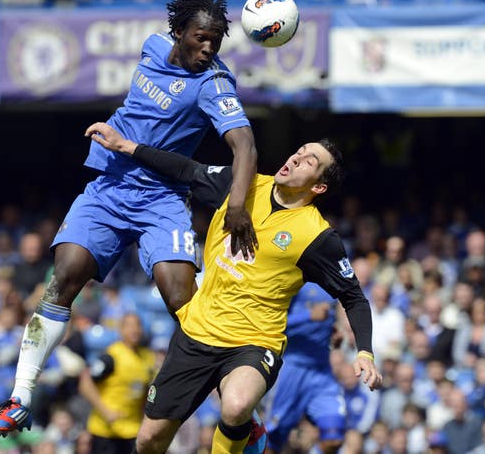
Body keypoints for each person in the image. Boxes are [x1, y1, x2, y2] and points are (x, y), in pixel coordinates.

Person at [0, 0, 258, 442]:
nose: (207, 49)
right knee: (65, 275)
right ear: (178, 32)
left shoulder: (213, 84)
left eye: (215, 42)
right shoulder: (150, 46)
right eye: (200, 38)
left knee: (183, 302)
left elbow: (244, 144)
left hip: (162, 199)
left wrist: (238, 206)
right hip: (108, 188)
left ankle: (241, 412)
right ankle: (20, 398)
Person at [85, 123, 382, 454]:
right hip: (197, 333)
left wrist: (365, 351)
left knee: (237, 405)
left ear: (320, 187)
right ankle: (248, 432)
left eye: (310, 160)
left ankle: (243, 426)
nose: (297, 158)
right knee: (148, 441)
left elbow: (353, 297)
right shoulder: (242, 185)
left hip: (254, 342)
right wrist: (126, 146)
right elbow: (187, 169)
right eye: (300, 150)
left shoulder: (317, 238)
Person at [263, 282, 348, 454]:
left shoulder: (331, 278)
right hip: (291, 368)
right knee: (272, 439)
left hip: (322, 371)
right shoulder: (292, 278)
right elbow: (270, 324)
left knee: (334, 437)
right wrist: (308, 316)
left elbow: (326, 317)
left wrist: (333, 332)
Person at [78, 313, 156, 453]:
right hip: (106, 431)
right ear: (121, 330)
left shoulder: (147, 357)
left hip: (133, 429)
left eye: (137, 325)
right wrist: (106, 412)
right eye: (129, 326)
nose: (134, 330)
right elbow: (85, 383)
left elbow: (147, 391)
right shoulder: (112, 356)